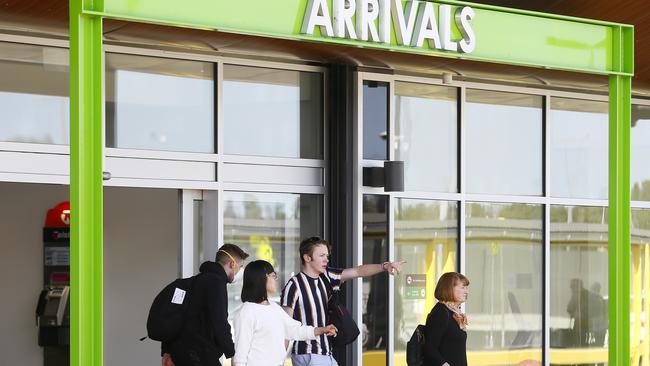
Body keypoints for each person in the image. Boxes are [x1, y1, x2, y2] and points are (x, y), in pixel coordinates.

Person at [281, 236, 405, 366]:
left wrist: (384, 266)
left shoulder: (327, 276)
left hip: (326, 353)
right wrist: (279, 360)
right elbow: (285, 327)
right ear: (307, 258)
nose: (326, 260)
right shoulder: (294, 285)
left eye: (327, 256)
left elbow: (357, 271)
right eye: (321, 255)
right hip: (308, 353)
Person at [233, 260, 338, 366]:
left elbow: (295, 330)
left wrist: (322, 330)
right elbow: (240, 356)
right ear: (261, 278)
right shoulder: (246, 312)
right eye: (273, 275)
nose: (276, 279)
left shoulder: (274, 307)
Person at [162, 243, 249, 366]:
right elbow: (220, 322)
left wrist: (166, 350)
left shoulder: (198, 279)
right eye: (240, 267)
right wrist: (232, 352)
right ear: (232, 264)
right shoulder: (216, 283)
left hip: (179, 351)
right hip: (198, 353)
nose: (240, 271)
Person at [423, 272, 469, 366]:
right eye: (462, 287)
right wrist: (443, 364)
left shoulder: (454, 312)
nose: (466, 291)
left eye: (466, 288)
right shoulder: (441, 312)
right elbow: (429, 347)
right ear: (449, 289)